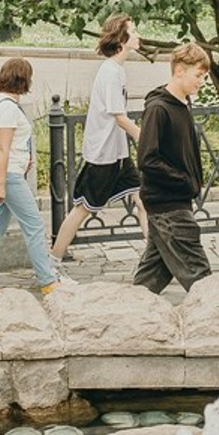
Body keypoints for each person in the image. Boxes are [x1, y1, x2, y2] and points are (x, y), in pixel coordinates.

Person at [51, 13, 144, 266]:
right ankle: (54, 261)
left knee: (142, 199)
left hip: (119, 154)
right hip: (103, 155)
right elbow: (120, 118)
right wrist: (146, 139)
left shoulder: (117, 70)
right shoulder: (111, 72)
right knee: (83, 210)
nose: (138, 36)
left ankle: (154, 260)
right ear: (122, 40)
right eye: (133, 32)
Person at [0, 58, 70, 296]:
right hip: (7, 174)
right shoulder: (9, 108)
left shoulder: (2, 102)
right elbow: (3, 147)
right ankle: (47, 279)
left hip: (6, 171)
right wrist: (1, 183)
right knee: (34, 224)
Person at [133, 43, 213, 294]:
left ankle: (124, 317)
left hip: (173, 202)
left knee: (150, 279)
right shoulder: (159, 108)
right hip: (168, 204)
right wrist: (184, 181)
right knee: (201, 279)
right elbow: (147, 159)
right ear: (179, 71)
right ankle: (218, 323)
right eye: (198, 76)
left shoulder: (183, 104)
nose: (202, 82)